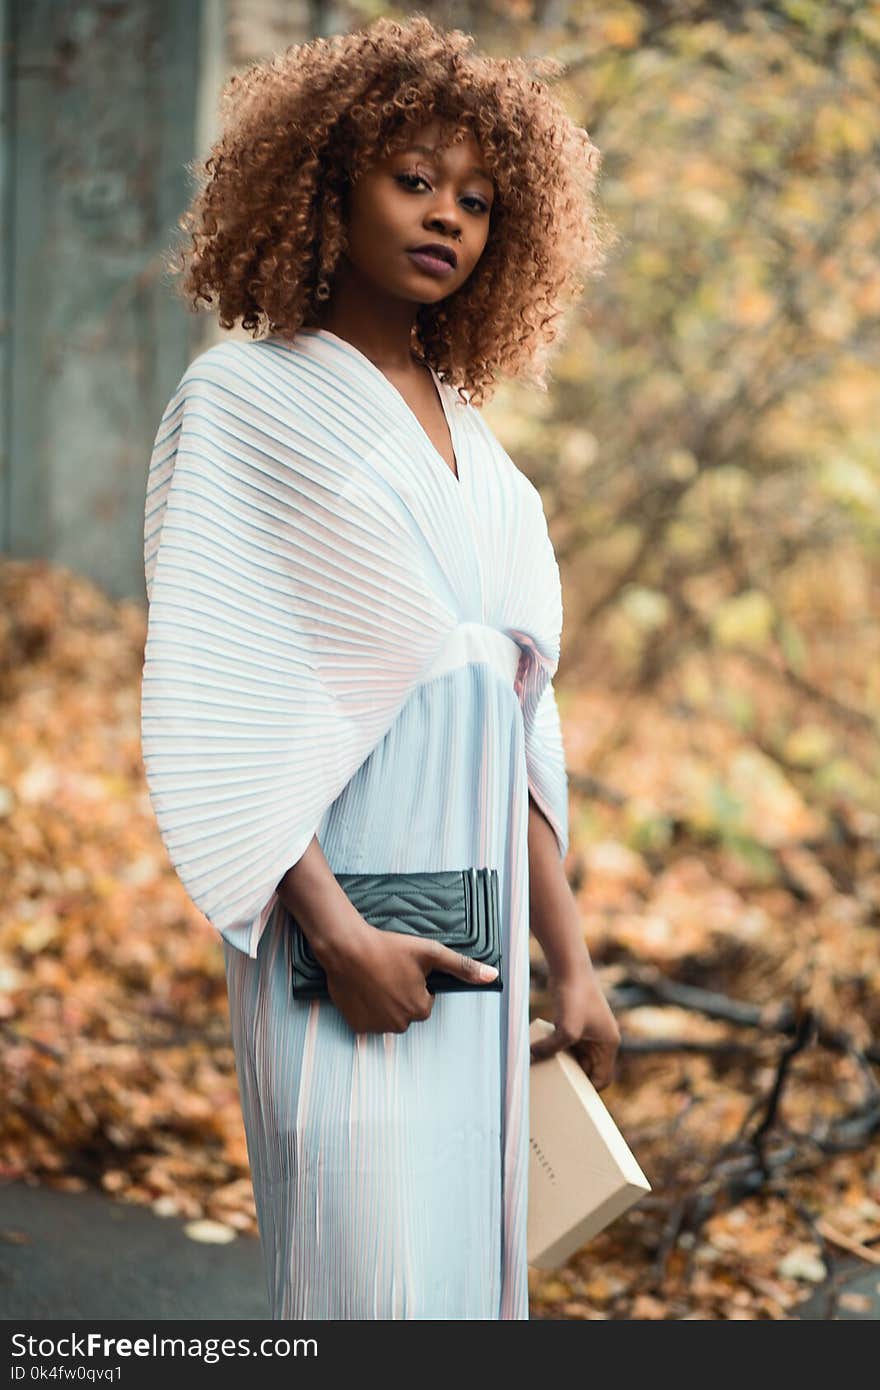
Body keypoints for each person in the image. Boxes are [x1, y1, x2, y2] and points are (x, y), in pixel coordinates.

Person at [141, 14, 620, 1320]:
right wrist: (341, 936)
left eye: (476, 199)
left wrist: (569, 960)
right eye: (414, 179)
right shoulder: (247, 401)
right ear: (326, 183)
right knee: (364, 1284)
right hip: (330, 941)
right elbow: (221, 699)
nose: (447, 217)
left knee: (463, 1281)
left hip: (479, 956)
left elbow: (519, 725)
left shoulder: (489, 460)